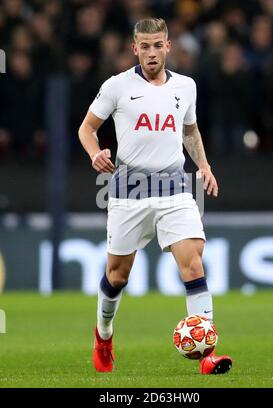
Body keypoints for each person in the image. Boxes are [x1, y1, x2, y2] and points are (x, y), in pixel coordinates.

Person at [78, 17, 232, 375]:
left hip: (174, 187)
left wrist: (204, 166)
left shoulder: (186, 87)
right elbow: (87, 128)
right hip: (128, 191)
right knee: (117, 276)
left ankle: (207, 353)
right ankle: (103, 335)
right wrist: (94, 152)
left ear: (168, 47)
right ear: (135, 48)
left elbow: (190, 131)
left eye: (157, 45)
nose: (150, 52)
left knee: (193, 263)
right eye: (143, 46)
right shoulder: (116, 86)